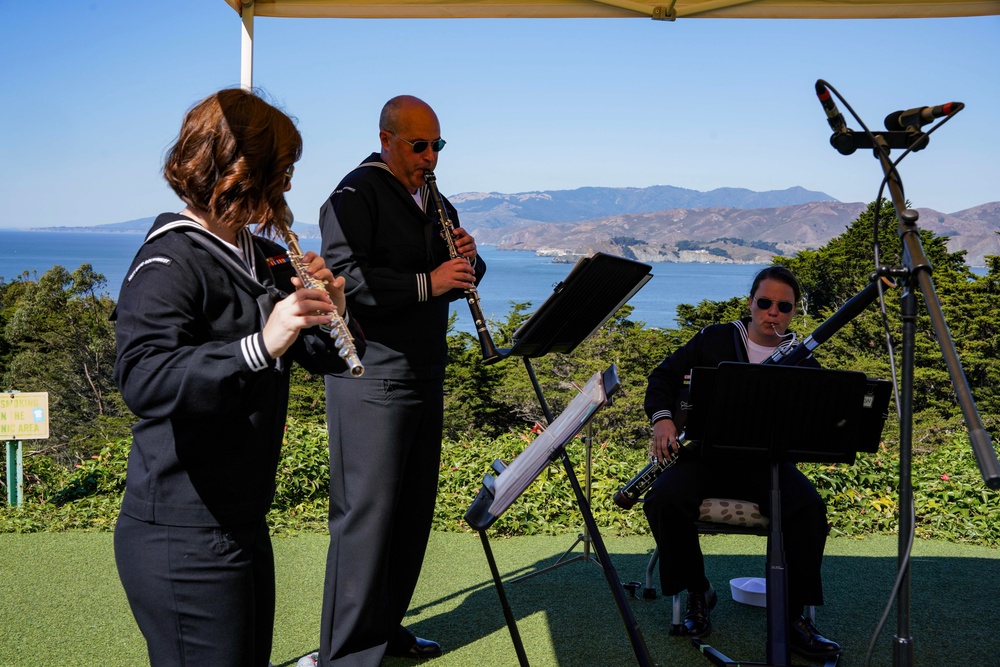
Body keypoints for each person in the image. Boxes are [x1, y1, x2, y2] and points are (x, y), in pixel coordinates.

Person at [112, 88, 362, 666]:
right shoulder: (168, 261)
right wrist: (259, 343)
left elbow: (322, 359)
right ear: (237, 171)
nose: (290, 186)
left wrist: (335, 310)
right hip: (181, 528)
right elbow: (143, 380)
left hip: (241, 516)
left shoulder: (264, 254)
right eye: (283, 171)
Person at [309, 94, 485, 666]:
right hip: (373, 375)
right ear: (387, 139)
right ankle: (346, 653)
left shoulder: (431, 195)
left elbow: (458, 275)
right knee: (367, 519)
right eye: (419, 146)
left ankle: (384, 630)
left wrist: (470, 260)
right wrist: (427, 283)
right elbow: (346, 281)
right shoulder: (353, 195)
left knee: (410, 514)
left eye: (437, 146)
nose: (430, 157)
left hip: (423, 369)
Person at [642, 265, 841, 660]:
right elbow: (663, 376)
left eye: (783, 307)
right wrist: (662, 419)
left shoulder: (802, 359)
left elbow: (819, 420)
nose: (773, 313)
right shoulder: (716, 337)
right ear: (750, 303)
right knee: (663, 499)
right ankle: (699, 591)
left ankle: (795, 620)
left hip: (766, 465)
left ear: (792, 312)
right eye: (765, 303)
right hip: (704, 456)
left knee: (809, 509)